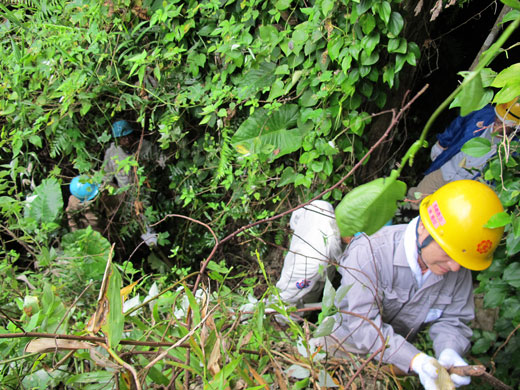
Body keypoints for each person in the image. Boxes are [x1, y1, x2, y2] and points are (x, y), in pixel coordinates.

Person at [309, 180, 504, 390]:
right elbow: (361, 324)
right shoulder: (370, 251)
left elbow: (453, 320)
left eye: (461, 260)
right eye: (448, 253)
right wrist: (415, 360)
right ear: (423, 229)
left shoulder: (455, 267)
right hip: (339, 346)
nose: (456, 267)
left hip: (395, 363)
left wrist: (449, 351)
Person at [407, 98, 520, 208]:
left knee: (443, 214)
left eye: (502, 123)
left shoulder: (514, 149)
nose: (497, 122)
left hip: (464, 189)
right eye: (497, 118)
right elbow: (458, 124)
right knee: (418, 199)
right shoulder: (483, 114)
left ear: (515, 127)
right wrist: (442, 143)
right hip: (447, 169)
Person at [103, 120, 165, 246]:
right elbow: (106, 177)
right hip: (125, 195)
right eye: (122, 138)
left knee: (148, 216)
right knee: (130, 222)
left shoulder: (145, 147)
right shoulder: (112, 153)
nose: (126, 140)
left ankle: (152, 240)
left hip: (147, 192)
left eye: (128, 136)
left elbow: (162, 161)